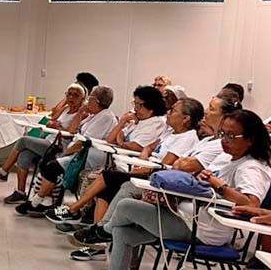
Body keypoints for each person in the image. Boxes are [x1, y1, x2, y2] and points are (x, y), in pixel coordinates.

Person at [65, 96, 243, 259]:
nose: (205, 112)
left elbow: (179, 166)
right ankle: (98, 232)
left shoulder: (215, 147)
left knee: (120, 191)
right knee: (118, 209)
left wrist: (214, 183)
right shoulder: (197, 139)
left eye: (211, 108)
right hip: (176, 200)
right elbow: (155, 153)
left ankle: (93, 226)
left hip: (186, 213)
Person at [104, 109, 271, 270]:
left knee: (127, 206)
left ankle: (101, 231)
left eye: (231, 136)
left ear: (250, 139)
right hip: (185, 217)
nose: (224, 140)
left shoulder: (252, 167)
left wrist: (218, 185)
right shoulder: (226, 157)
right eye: (222, 134)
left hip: (202, 230)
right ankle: (106, 231)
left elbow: (252, 204)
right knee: (122, 232)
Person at [45, 98, 203, 227]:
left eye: (174, 110)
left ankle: (75, 211)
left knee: (108, 176)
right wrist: (144, 155)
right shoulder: (170, 132)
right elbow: (149, 147)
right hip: (143, 169)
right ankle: (94, 230)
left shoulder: (187, 138)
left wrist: (140, 164)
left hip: (154, 179)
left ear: (185, 118)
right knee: (106, 185)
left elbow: (163, 167)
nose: (169, 112)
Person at [12, 85, 117, 215]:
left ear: (97, 101)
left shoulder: (105, 117)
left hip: (88, 155)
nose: (87, 102)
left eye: (90, 99)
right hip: (77, 151)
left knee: (52, 166)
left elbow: (83, 141)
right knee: (44, 162)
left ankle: (35, 202)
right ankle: (44, 202)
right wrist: (79, 113)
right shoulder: (92, 115)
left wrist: (66, 153)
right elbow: (73, 129)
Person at [0, 83, 87, 205]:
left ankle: (3, 172)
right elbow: (50, 121)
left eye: (75, 95)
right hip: (49, 140)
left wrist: (61, 126)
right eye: (69, 94)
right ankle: (20, 193)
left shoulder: (81, 113)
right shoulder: (65, 109)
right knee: (24, 154)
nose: (71, 98)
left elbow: (71, 131)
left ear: (82, 99)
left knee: (23, 141)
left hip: (60, 145)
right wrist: (52, 124)